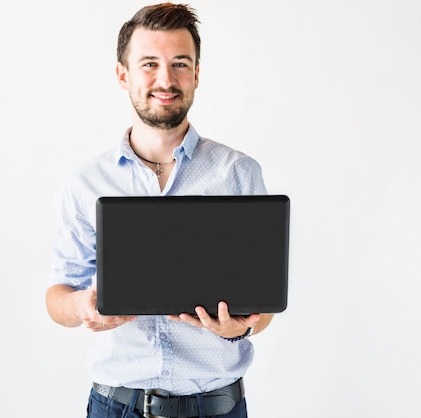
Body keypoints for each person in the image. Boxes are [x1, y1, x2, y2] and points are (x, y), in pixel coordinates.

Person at [46, 3, 274, 417]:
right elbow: (58, 294)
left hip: (218, 406)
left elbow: (262, 309)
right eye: (149, 63)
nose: (165, 79)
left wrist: (237, 328)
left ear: (197, 74)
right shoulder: (85, 184)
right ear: (123, 74)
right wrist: (81, 307)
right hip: (117, 407)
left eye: (180, 64)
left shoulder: (237, 174)